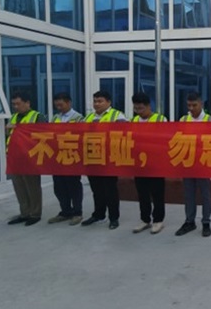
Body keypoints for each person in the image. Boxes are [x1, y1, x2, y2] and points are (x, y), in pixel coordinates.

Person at [80, 90, 128, 230]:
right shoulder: (89, 117)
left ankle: (114, 218)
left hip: (109, 159)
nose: (97, 104)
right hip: (92, 158)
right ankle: (98, 214)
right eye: (95, 101)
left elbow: (125, 133)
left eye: (100, 101)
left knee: (110, 189)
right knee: (96, 189)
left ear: (109, 102)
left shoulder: (117, 115)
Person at [176, 92, 211, 238]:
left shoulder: (210, 120)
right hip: (188, 162)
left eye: (194, 105)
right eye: (189, 105)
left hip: (204, 162)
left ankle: (206, 222)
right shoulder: (183, 119)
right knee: (188, 194)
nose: (191, 108)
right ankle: (189, 221)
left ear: (201, 104)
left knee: (205, 194)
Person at [6, 91, 47, 226]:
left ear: (27, 103)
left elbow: (44, 135)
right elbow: (9, 135)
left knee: (32, 186)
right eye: (13, 104)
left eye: (18, 104)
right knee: (19, 187)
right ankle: (24, 213)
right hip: (14, 157)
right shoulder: (13, 117)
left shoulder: (38, 116)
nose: (16, 107)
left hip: (30, 157)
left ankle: (35, 213)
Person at [130, 92, 168, 235]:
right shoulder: (133, 121)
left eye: (141, 108)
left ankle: (158, 220)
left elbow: (165, 140)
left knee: (157, 193)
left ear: (148, 106)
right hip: (139, 164)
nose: (138, 111)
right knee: (142, 193)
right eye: (136, 108)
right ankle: (145, 219)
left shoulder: (160, 119)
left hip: (156, 163)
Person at [47, 92, 84, 226]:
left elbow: (82, 137)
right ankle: (65, 211)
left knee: (73, 185)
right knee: (59, 186)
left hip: (72, 157)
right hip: (58, 158)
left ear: (69, 103)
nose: (59, 107)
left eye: (61, 105)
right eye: (56, 105)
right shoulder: (55, 118)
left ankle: (77, 212)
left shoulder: (79, 118)